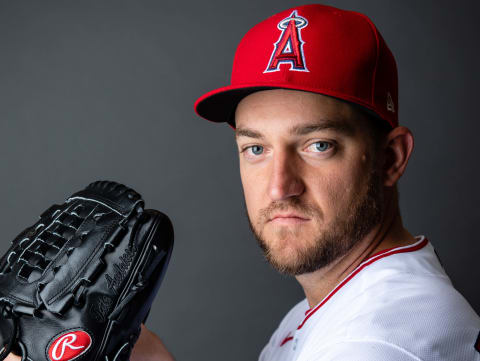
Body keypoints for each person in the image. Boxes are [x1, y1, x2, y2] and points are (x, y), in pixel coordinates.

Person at [5, 3, 480, 361]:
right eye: (256, 148)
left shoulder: (379, 339)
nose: (279, 186)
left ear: (390, 158)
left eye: (318, 145)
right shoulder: (337, 307)